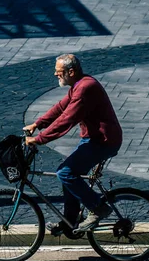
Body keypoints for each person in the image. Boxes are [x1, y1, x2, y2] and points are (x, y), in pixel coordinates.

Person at [23, 54, 123, 235]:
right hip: (93, 139)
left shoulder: (85, 88)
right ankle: (70, 220)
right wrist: (37, 124)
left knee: (65, 173)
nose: (55, 74)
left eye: (58, 71)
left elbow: (66, 120)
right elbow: (61, 108)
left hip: (104, 141)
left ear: (71, 71)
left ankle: (98, 207)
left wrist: (39, 139)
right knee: (68, 174)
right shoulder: (79, 85)